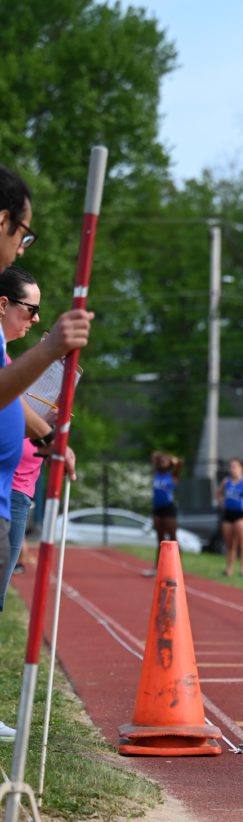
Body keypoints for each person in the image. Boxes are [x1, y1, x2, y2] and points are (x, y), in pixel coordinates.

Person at [0, 164, 91, 742]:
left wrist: (53, 434)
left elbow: (17, 408)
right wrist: (53, 347)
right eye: (23, 232)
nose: (20, 244)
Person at [0, 267, 78, 614]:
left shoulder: (5, 353)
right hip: (10, 489)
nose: (35, 318)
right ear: (3, 304)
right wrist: (48, 433)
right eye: (30, 310)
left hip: (14, 491)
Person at [150, 450, 183, 571]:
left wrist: (172, 459)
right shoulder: (156, 473)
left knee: (172, 538)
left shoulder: (172, 475)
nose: (163, 462)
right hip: (157, 508)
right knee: (160, 539)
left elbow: (180, 462)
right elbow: (154, 455)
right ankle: (157, 566)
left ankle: (177, 566)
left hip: (169, 508)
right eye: (161, 460)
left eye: (166, 460)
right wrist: (161, 458)